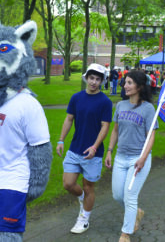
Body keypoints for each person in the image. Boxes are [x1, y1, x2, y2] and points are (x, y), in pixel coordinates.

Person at [56, 63, 113, 234]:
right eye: (91, 78)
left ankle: (84, 219)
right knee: (68, 184)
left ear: (101, 81)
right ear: (86, 78)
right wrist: (61, 140)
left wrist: (95, 147)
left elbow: (105, 127)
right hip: (75, 149)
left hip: (93, 153)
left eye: (97, 79)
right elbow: (68, 119)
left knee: (89, 187)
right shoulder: (76, 98)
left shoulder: (105, 102)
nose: (94, 82)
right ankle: (82, 198)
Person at [104, 70, 158, 242]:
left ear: (139, 86)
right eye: (124, 82)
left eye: (129, 83)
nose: (125, 86)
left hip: (138, 159)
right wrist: (110, 151)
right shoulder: (120, 105)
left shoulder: (148, 108)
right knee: (117, 196)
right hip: (120, 157)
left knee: (130, 195)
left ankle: (125, 233)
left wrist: (143, 158)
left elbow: (151, 136)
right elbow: (115, 130)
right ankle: (136, 212)